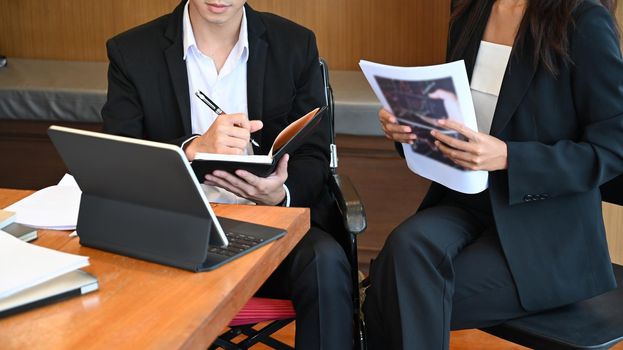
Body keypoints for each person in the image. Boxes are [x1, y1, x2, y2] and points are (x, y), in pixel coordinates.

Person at [363, 0, 623, 348]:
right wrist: (409, 129)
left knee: (394, 295)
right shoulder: (470, 10)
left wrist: (510, 157)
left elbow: (614, 147)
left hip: (548, 232)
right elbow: (459, 122)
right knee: (406, 248)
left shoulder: (583, 21)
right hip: (467, 202)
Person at [101, 1, 352, 348]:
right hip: (176, 229)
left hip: (273, 226)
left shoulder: (295, 44)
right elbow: (119, 161)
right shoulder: (131, 52)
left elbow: (314, 154)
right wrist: (192, 148)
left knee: (325, 262)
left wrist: (279, 193)